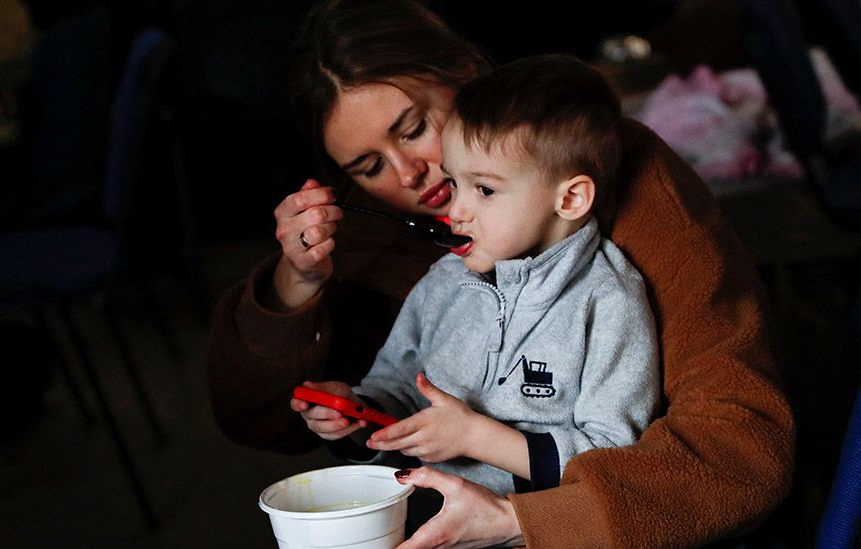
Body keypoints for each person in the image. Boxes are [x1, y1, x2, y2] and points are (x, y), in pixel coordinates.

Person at [206, 0, 795, 546]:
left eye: (413, 129)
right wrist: (302, 294)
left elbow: (738, 447)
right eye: (367, 166)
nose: (409, 175)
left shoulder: (616, 229)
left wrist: (518, 518)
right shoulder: (404, 250)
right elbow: (257, 421)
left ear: (465, 72)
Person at [296, 54, 660, 498]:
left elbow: (613, 459)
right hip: (426, 519)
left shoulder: (607, 302)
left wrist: (477, 438)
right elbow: (396, 387)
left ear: (571, 199)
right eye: (454, 183)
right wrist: (361, 411)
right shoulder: (443, 280)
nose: (456, 210)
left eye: (483, 189)